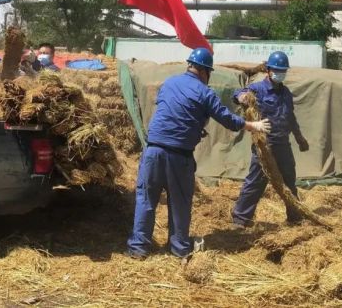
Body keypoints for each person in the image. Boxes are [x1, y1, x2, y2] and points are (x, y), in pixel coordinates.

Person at [127, 48, 271, 260]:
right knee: (180, 202)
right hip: (178, 156)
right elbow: (226, 119)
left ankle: (139, 249)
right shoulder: (205, 93)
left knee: (146, 200)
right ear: (205, 71)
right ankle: (178, 248)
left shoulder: (170, 83)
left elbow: (172, 110)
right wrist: (253, 125)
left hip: (153, 150)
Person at [231, 51, 309, 227]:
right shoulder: (258, 89)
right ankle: (240, 219)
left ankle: (295, 216)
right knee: (256, 182)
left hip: (283, 145)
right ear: (268, 70)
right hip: (265, 145)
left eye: (283, 71)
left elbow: (291, 118)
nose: (280, 73)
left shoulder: (286, 93)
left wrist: (299, 138)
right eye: (277, 70)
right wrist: (242, 97)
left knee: (289, 181)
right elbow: (238, 93)